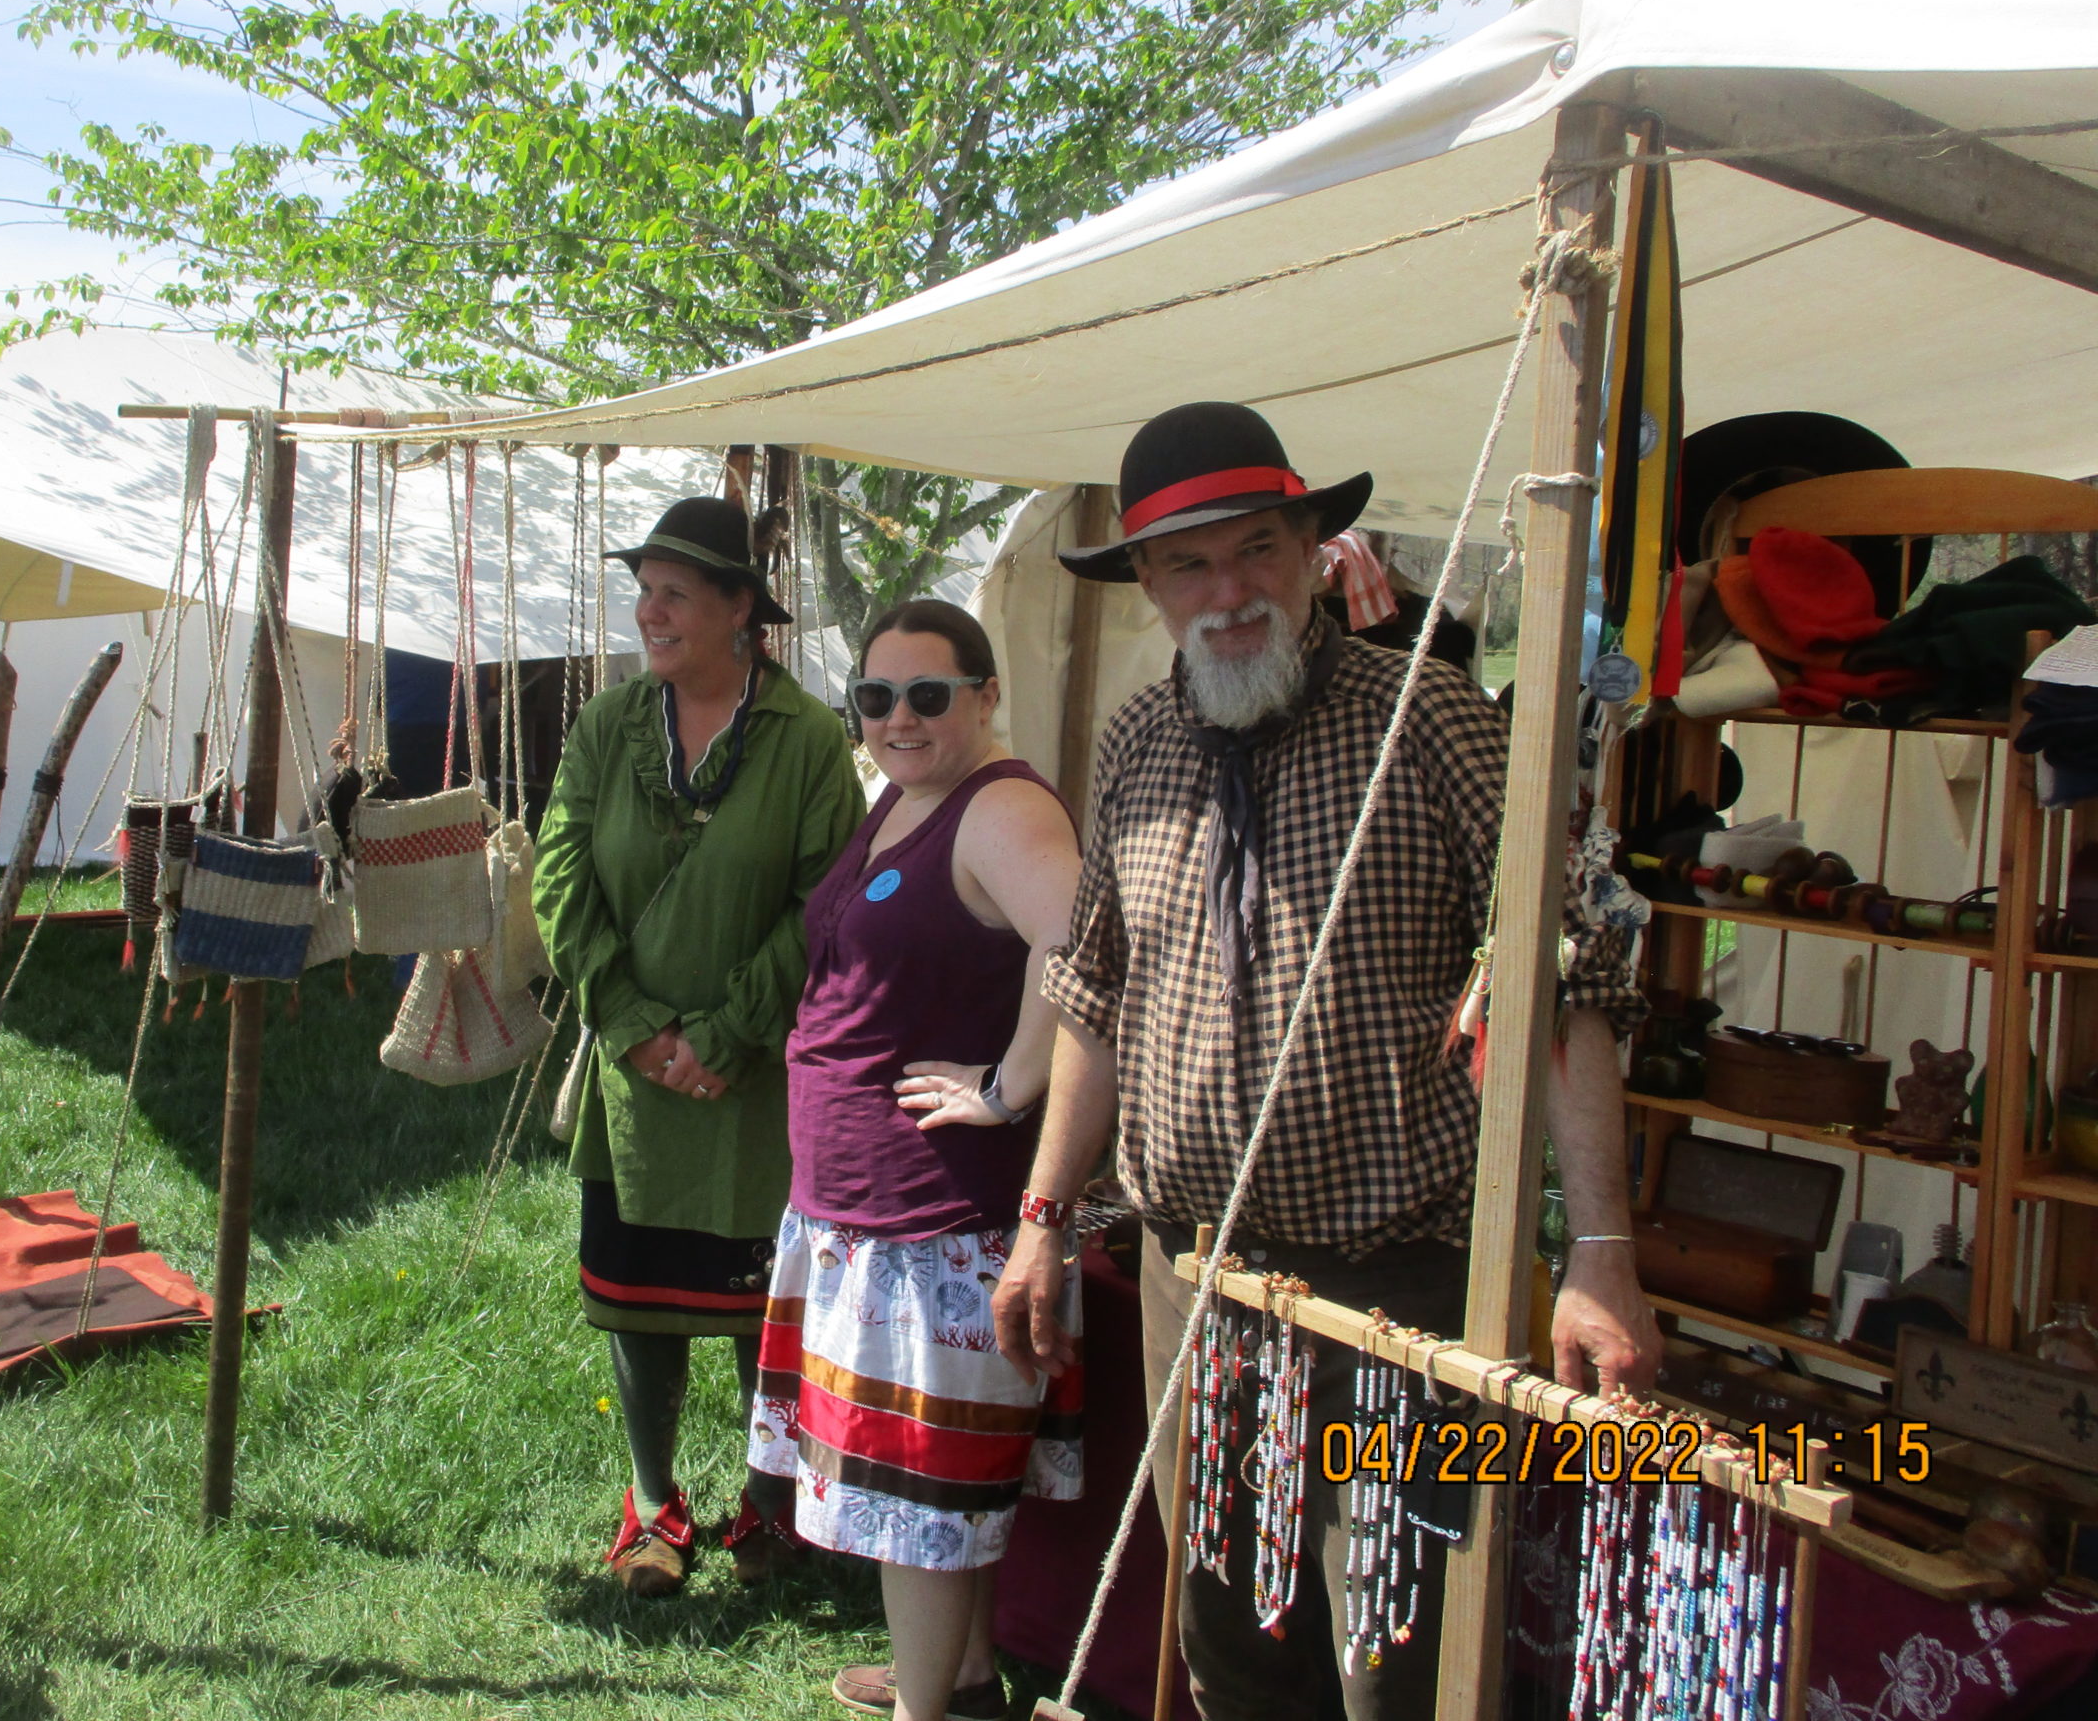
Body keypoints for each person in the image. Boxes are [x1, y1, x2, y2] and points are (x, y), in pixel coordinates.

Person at [991, 403, 1659, 1721]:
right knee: (1232, 1632)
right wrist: (1041, 1219)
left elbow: (1569, 975)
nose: (1229, 592)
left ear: (1311, 549)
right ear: (1148, 585)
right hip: (1198, 1277)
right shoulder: (1133, 746)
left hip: (1399, 1290)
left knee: (1399, 1650)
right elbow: (1091, 1001)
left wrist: (1602, 1257)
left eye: (1258, 549)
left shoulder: (1436, 720)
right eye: (1190, 564)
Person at [746, 599, 1085, 1721]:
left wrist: (1008, 1086)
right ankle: (967, 1680)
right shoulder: (909, 796)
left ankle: (922, 1711)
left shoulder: (999, 809)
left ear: (985, 696)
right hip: (867, 1212)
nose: (898, 717)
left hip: (932, 1221)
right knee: (934, 1495)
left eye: (927, 695)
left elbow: (1081, 944)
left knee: (918, 1499)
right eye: (875, 698)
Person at [534, 494, 865, 1596]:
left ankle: (767, 1508)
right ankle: (652, 1506)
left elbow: (824, 899)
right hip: (637, 1065)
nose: (649, 610)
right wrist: (633, 1029)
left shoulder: (810, 739)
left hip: (754, 1069)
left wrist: (723, 1032)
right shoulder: (605, 724)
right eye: (645, 589)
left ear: (740, 612)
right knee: (639, 1296)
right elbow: (559, 876)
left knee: (752, 1303)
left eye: (676, 591)